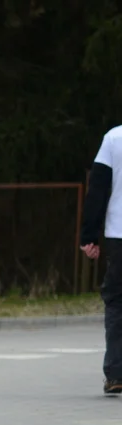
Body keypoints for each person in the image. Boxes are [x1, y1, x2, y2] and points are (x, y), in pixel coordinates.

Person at [78, 124, 122, 394]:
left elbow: (98, 188)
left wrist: (89, 235)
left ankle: (117, 374)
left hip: (119, 234)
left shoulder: (114, 138)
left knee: (117, 301)